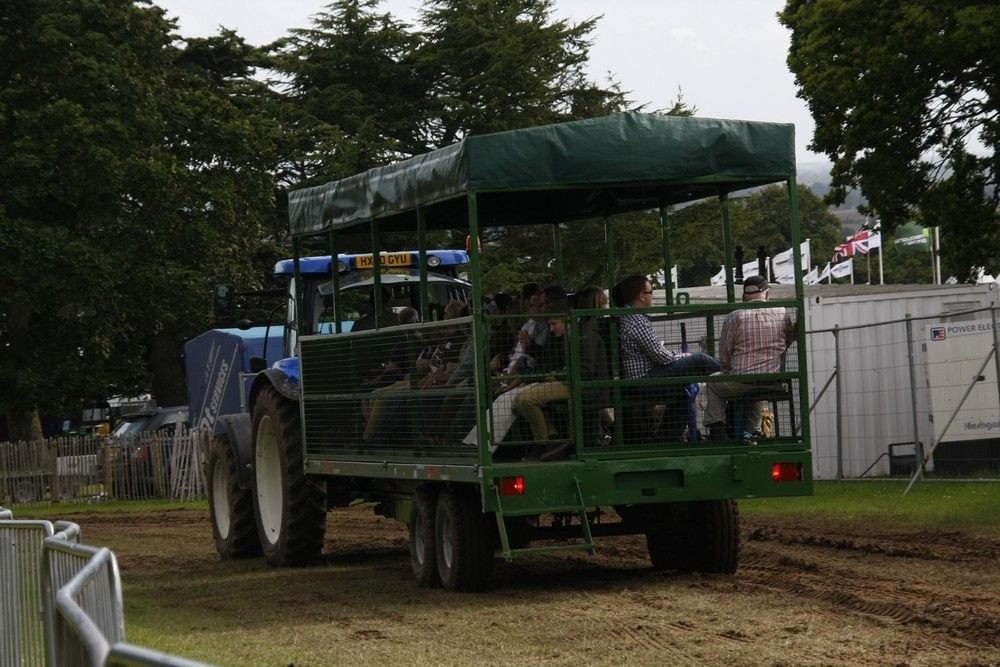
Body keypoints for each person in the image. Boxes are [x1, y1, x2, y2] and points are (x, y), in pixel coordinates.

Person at [615, 274, 719, 439]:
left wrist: (679, 357)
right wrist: (683, 356)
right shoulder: (636, 320)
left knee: (684, 390)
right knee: (699, 360)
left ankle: (667, 437)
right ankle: (734, 372)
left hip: (645, 376)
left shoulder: (630, 317)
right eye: (650, 292)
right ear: (641, 296)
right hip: (645, 380)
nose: (652, 295)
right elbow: (660, 356)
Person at [511, 293, 610, 460]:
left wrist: (558, 375)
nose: (551, 328)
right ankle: (552, 437)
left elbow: (585, 370)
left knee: (526, 399)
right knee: (517, 401)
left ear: (566, 319)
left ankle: (545, 442)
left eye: (554, 324)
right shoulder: (568, 335)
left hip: (582, 386)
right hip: (568, 380)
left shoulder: (585, 335)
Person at [703, 275, 796, 440]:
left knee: (712, 382)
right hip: (773, 381)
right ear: (766, 294)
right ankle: (753, 431)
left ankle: (717, 429)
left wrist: (726, 370)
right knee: (756, 386)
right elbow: (786, 342)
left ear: (744, 297)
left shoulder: (735, 316)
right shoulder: (782, 313)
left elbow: (725, 354)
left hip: (742, 381)